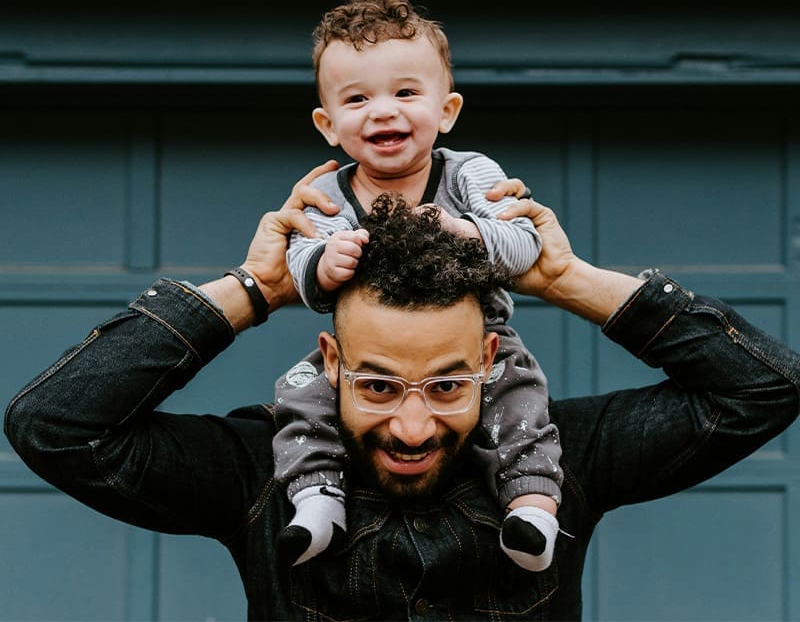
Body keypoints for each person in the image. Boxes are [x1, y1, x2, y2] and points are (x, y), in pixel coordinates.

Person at [4, 161, 800, 621]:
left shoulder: (561, 459)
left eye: (449, 384)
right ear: (332, 361)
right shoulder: (258, 472)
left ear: (492, 356)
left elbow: (762, 389)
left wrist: (567, 279)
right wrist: (255, 289)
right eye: (380, 386)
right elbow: (56, 425)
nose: (413, 426)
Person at [275, 0, 562, 571]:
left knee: (521, 397)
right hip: (366, 353)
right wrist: (322, 264)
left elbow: (523, 243)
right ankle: (316, 499)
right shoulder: (327, 192)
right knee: (300, 394)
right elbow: (301, 268)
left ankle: (531, 507)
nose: (383, 110)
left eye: (406, 92)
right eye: (357, 100)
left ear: (447, 111)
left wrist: (469, 233)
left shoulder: (468, 174)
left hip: (480, 337)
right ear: (328, 125)